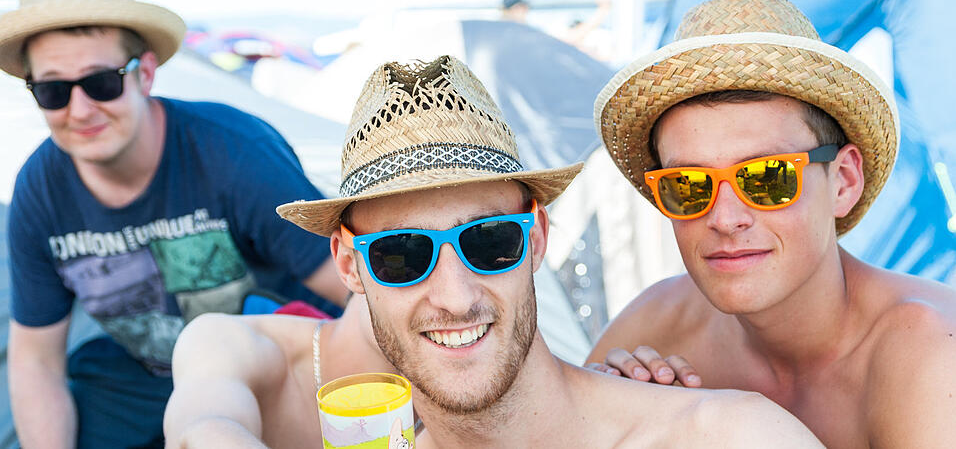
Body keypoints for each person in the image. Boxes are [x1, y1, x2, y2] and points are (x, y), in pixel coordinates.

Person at [164, 55, 823, 447]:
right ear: (349, 265)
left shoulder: (725, 438)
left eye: (489, 242)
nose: (454, 295)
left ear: (534, 238)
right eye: (401, 254)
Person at [1, 0, 347, 448]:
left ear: (145, 73)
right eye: (54, 91)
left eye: (101, 82)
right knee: (87, 375)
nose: (80, 110)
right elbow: (36, 358)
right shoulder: (40, 190)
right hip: (148, 373)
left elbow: (352, 289)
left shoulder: (233, 150)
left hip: (272, 360)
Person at [589, 0, 956, 448]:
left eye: (767, 177)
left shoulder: (932, 354)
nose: (725, 218)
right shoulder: (656, 328)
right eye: (688, 185)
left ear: (843, 181)